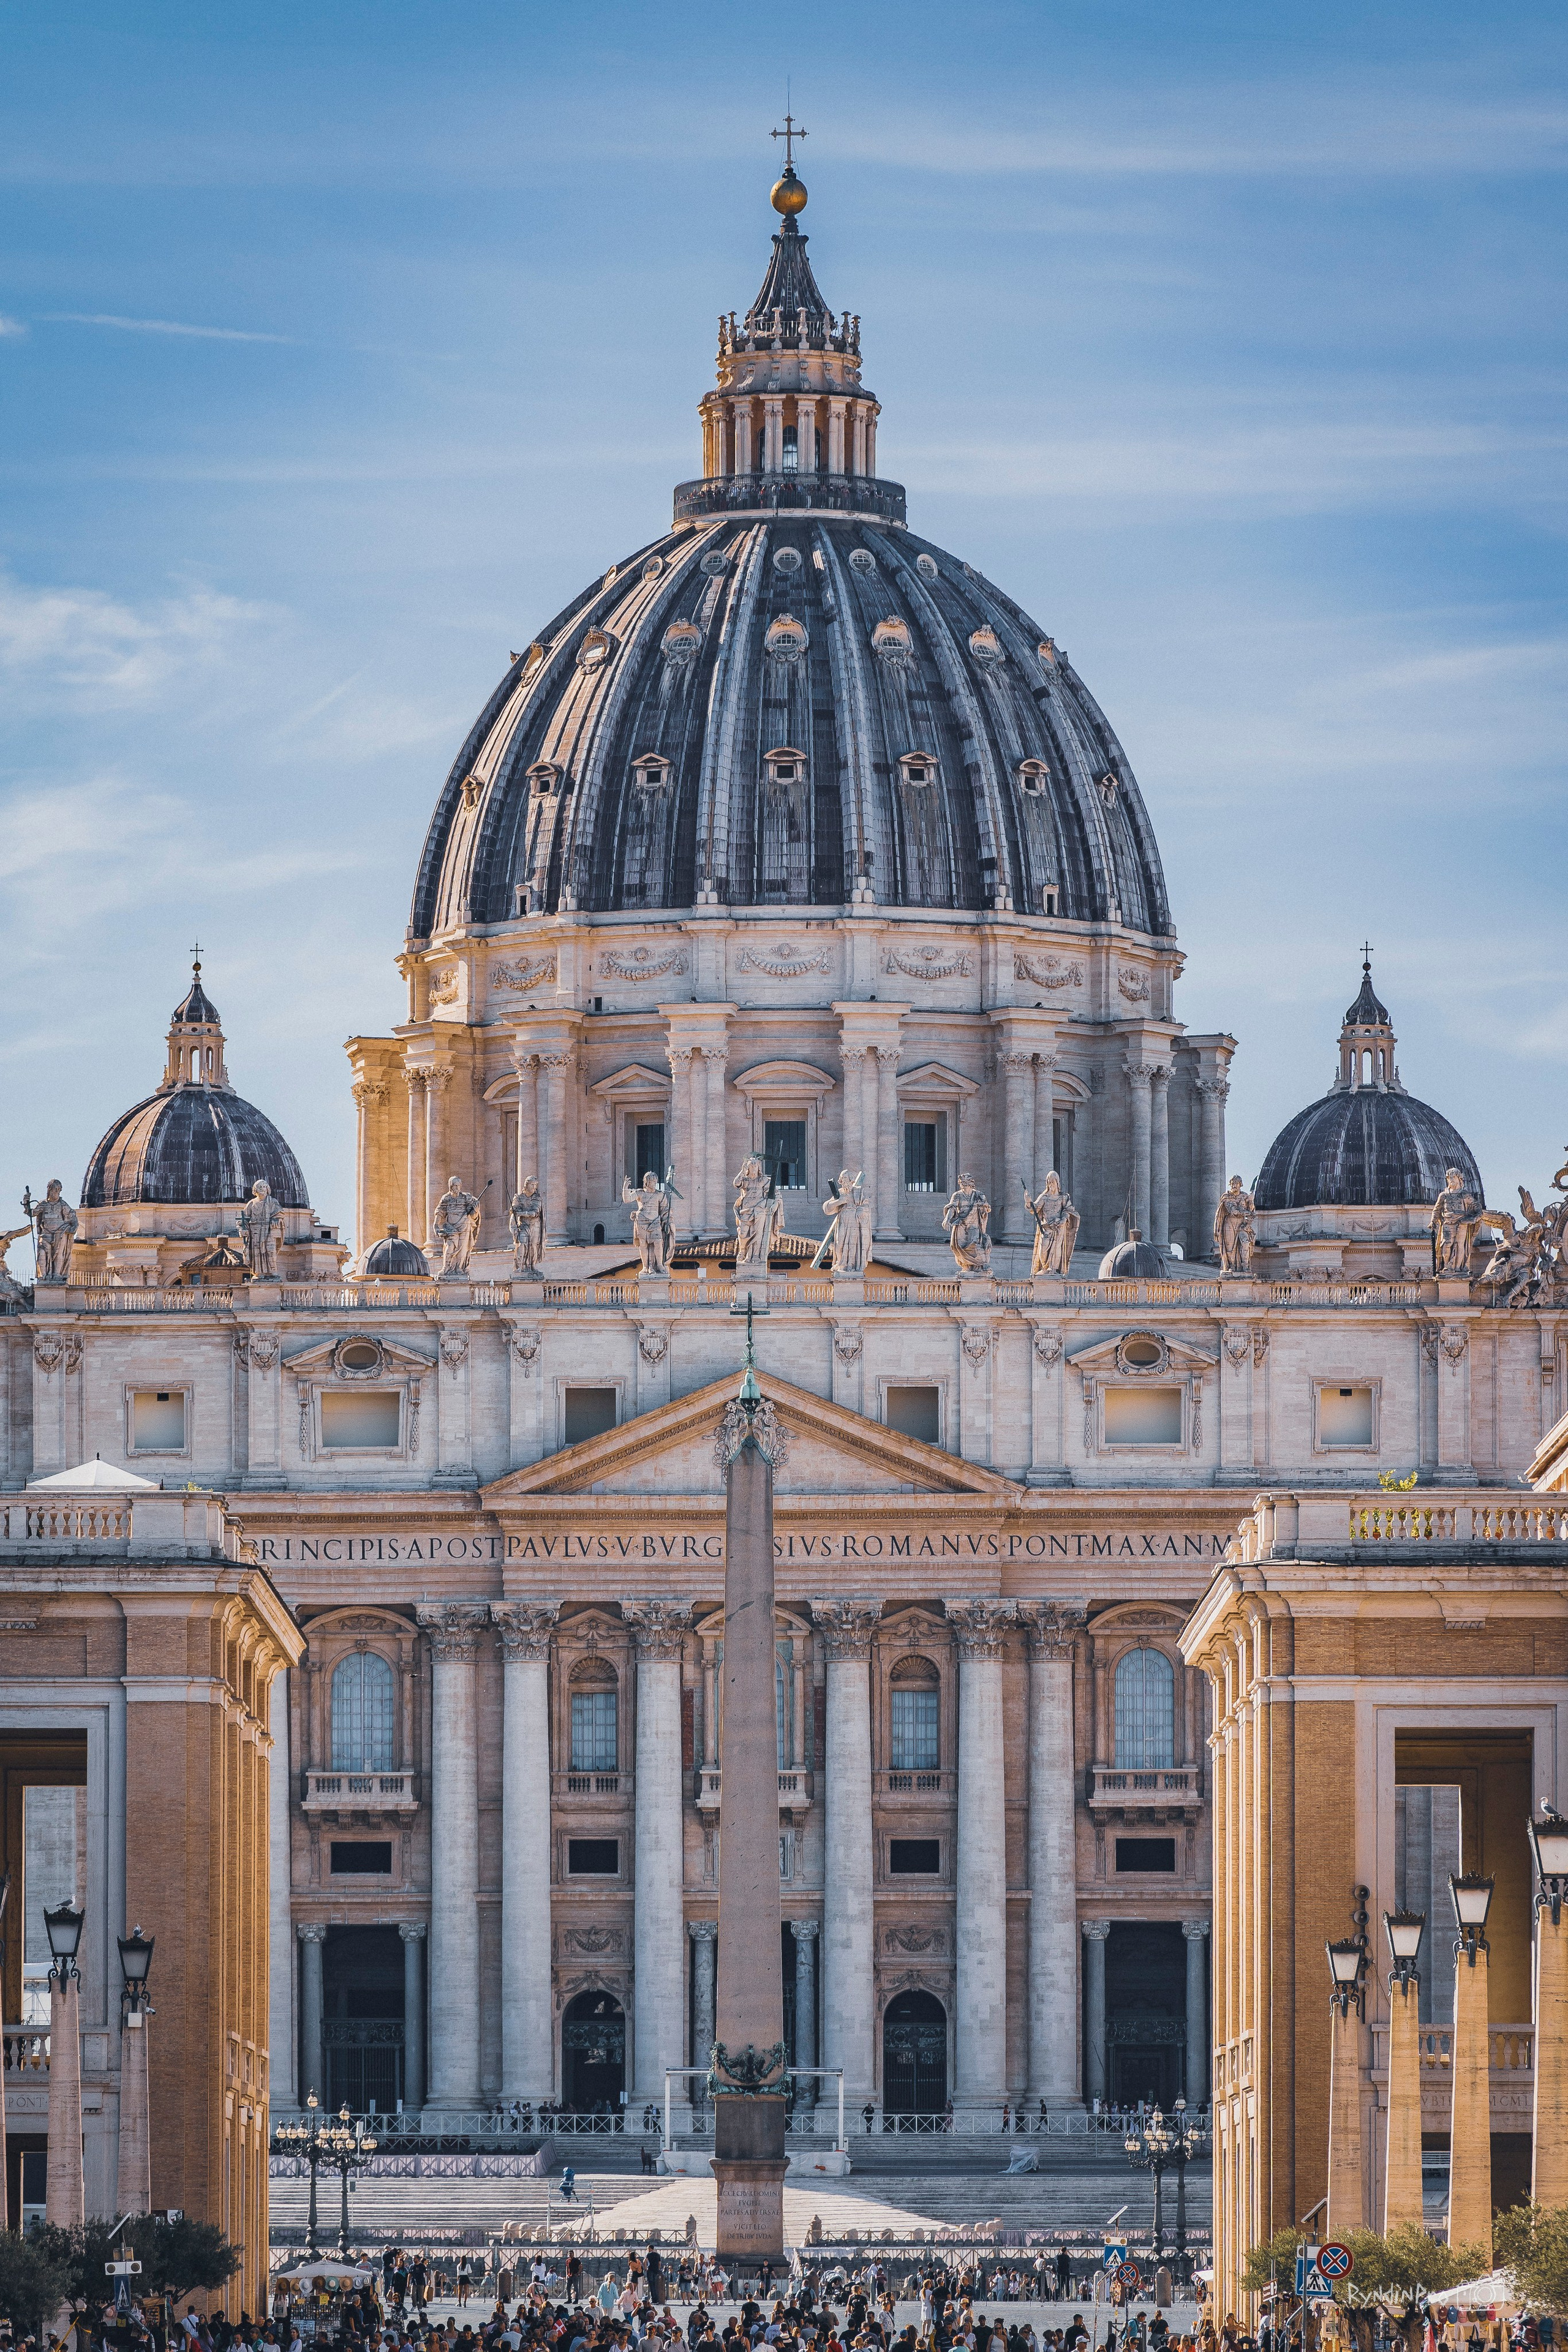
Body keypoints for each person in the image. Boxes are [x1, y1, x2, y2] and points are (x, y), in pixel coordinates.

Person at [1026, 1172, 1079, 1277]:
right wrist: (1028, 1202)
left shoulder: (1064, 1197)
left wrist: (1064, 1219)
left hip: (1059, 1227)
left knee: (1057, 1249)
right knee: (1043, 1249)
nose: (1051, 1185)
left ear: (1057, 1183)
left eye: (1053, 1182)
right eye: (1049, 1182)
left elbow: (1069, 1210)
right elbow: (1035, 1209)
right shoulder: (1044, 1197)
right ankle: (1045, 1268)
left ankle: (1054, 1270)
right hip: (1046, 1228)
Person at [432, 1175, 483, 1276]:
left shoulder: (466, 1198)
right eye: (455, 1185)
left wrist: (476, 1212)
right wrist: (436, 1225)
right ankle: (446, 1268)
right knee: (450, 1247)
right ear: (450, 1186)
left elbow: (472, 1216)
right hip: (451, 1228)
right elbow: (440, 1212)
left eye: (459, 1185)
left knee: (463, 1250)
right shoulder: (446, 1198)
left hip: (465, 1227)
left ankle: (459, 1269)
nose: (457, 1188)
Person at [942, 1177, 992, 1274]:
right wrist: (947, 1219)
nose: (963, 1184)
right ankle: (967, 1266)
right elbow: (952, 1208)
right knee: (957, 1247)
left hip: (974, 1224)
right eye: (961, 1182)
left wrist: (985, 1208)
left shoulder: (979, 1195)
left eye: (965, 1182)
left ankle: (978, 1265)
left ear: (971, 1183)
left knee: (974, 1245)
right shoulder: (957, 1195)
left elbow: (987, 1208)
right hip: (961, 1224)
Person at [509, 1178, 545, 1275]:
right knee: (522, 1245)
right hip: (523, 1226)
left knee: (534, 1246)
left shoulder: (537, 1198)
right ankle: (521, 1267)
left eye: (535, 1185)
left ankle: (532, 1267)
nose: (534, 1187)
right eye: (532, 1185)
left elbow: (535, 1213)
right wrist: (518, 1212)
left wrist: (521, 1213)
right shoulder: (518, 1197)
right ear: (526, 1185)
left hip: (535, 1225)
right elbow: (513, 1210)